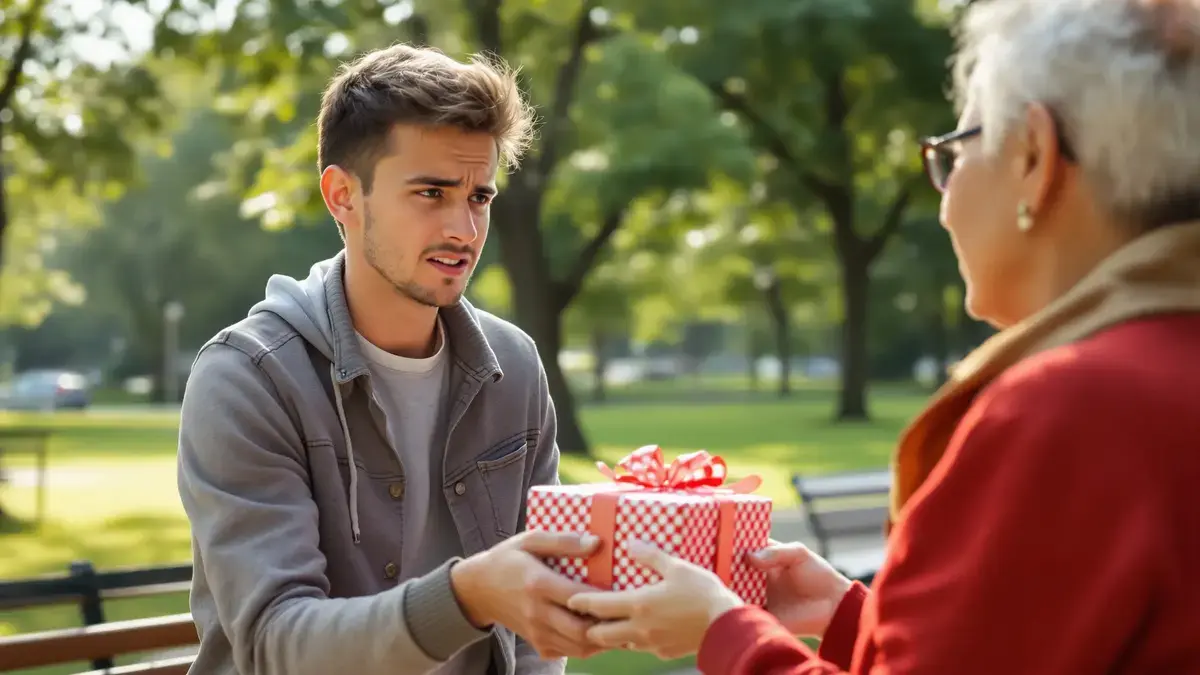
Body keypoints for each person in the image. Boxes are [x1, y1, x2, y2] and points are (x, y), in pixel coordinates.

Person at [567, 0, 1200, 672]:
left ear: (1035, 157)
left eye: (953, 154)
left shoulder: (1069, 409)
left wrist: (726, 630)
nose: (945, 200)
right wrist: (852, 615)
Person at [177, 44, 603, 675]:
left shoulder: (513, 364)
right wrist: (467, 596)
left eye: (479, 197)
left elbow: (536, 618)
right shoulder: (248, 379)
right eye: (431, 192)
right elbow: (274, 643)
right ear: (342, 195)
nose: (464, 228)